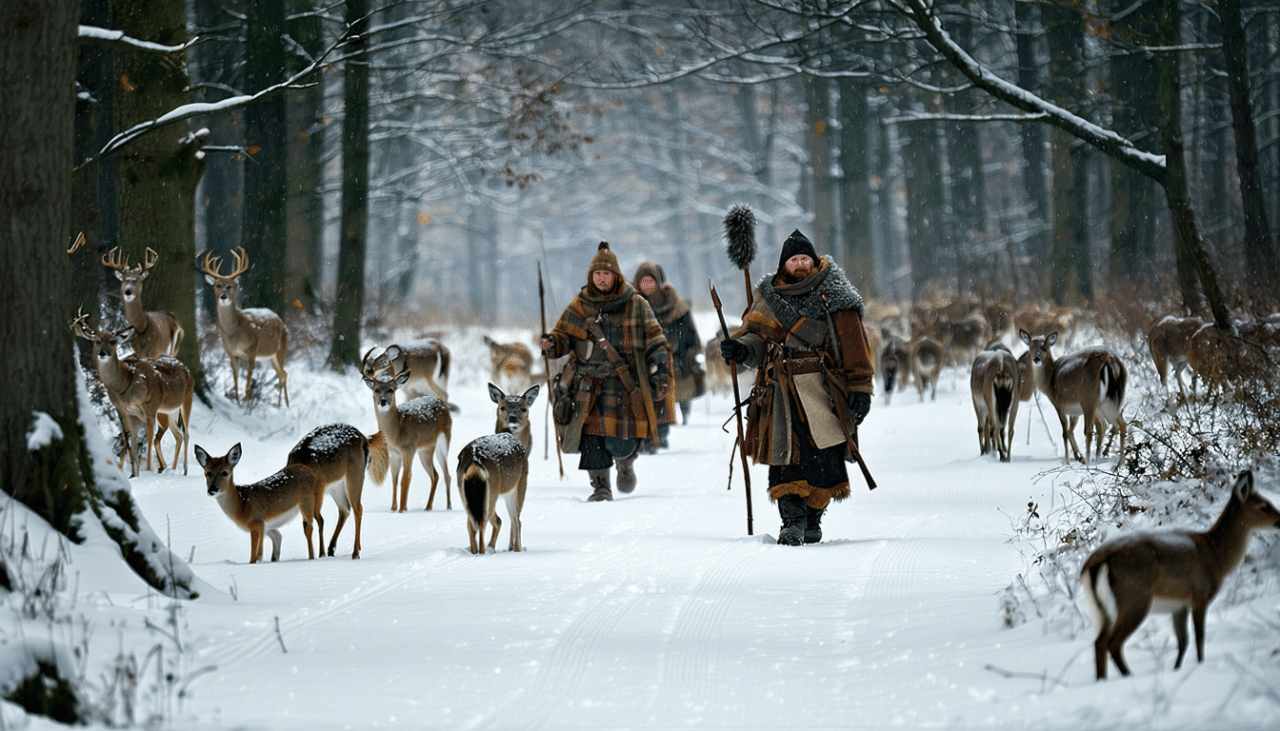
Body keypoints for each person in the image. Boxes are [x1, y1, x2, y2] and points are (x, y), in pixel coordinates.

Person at [718, 230, 875, 545]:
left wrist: (860, 387)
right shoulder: (768, 296)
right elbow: (756, 339)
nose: (800, 264)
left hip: (824, 390)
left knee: (824, 459)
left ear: (814, 261)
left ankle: (813, 518)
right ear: (783, 265)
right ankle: (791, 522)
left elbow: (855, 345)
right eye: (794, 259)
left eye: (805, 258)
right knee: (785, 456)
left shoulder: (837, 294)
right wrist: (741, 349)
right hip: (780, 392)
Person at [541, 242, 672, 502]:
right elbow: (563, 337)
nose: (601, 279)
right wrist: (551, 344)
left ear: (616, 276)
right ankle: (600, 485)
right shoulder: (579, 305)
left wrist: (660, 373)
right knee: (592, 437)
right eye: (597, 274)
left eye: (606, 274)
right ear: (591, 277)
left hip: (624, 384)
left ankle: (625, 463)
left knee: (621, 441)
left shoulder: (636, 304)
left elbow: (656, 340)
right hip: (587, 385)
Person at [633, 262, 704, 448]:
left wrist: (687, 348)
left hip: (672, 354)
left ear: (657, 282)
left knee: (664, 393)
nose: (647, 285)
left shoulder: (673, 303)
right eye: (644, 281)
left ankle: (663, 433)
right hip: (641, 358)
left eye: (651, 281)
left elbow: (688, 330)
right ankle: (646, 436)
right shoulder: (632, 304)